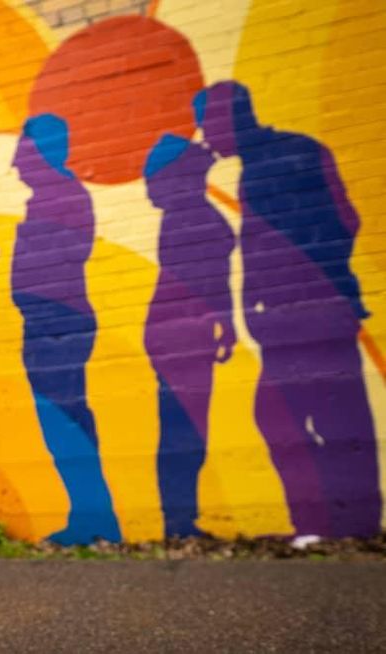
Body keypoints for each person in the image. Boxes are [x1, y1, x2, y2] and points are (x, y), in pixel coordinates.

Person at [195, 81, 380, 539]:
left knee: (330, 418)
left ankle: (344, 524)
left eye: (208, 125)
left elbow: (342, 223)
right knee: (304, 417)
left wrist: (300, 284)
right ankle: (336, 522)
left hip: (309, 312)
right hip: (288, 317)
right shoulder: (268, 162)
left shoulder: (287, 158)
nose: (206, 137)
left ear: (229, 118)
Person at [11, 114, 121, 545]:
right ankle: (89, 514)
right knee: (63, 423)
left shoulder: (61, 197)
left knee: (66, 422)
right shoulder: (51, 198)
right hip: (48, 320)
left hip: (56, 322)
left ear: (42, 151)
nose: (17, 163)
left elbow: (60, 259)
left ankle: (95, 517)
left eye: (24, 152)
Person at [142, 135, 235, 538]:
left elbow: (212, 281)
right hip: (181, 333)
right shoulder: (190, 217)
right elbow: (207, 283)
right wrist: (224, 322)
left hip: (179, 330)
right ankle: (179, 519)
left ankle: (181, 517)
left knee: (184, 425)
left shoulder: (189, 215)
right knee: (184, 426)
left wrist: (224, 322)